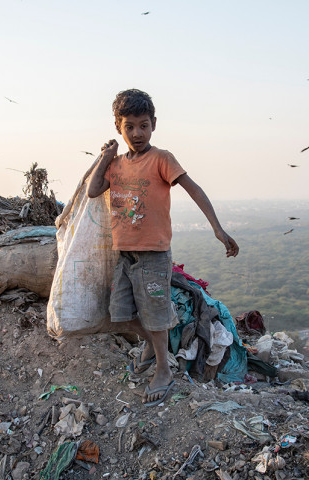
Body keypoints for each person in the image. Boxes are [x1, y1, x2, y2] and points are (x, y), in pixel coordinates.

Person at [88, 89, 238, 406]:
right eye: (129, 126)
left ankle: (163, 370)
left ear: (154, 124)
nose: (137, 133)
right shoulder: (115, 166)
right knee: (120, 313)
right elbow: (92, 190)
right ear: (118, 127)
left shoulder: (161, 159)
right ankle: (152, 343)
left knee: (154, 316)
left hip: (154, 254)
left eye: (143, 125)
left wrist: (217, 228)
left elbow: (193, 188)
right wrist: (105, 156)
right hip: (125, 254)